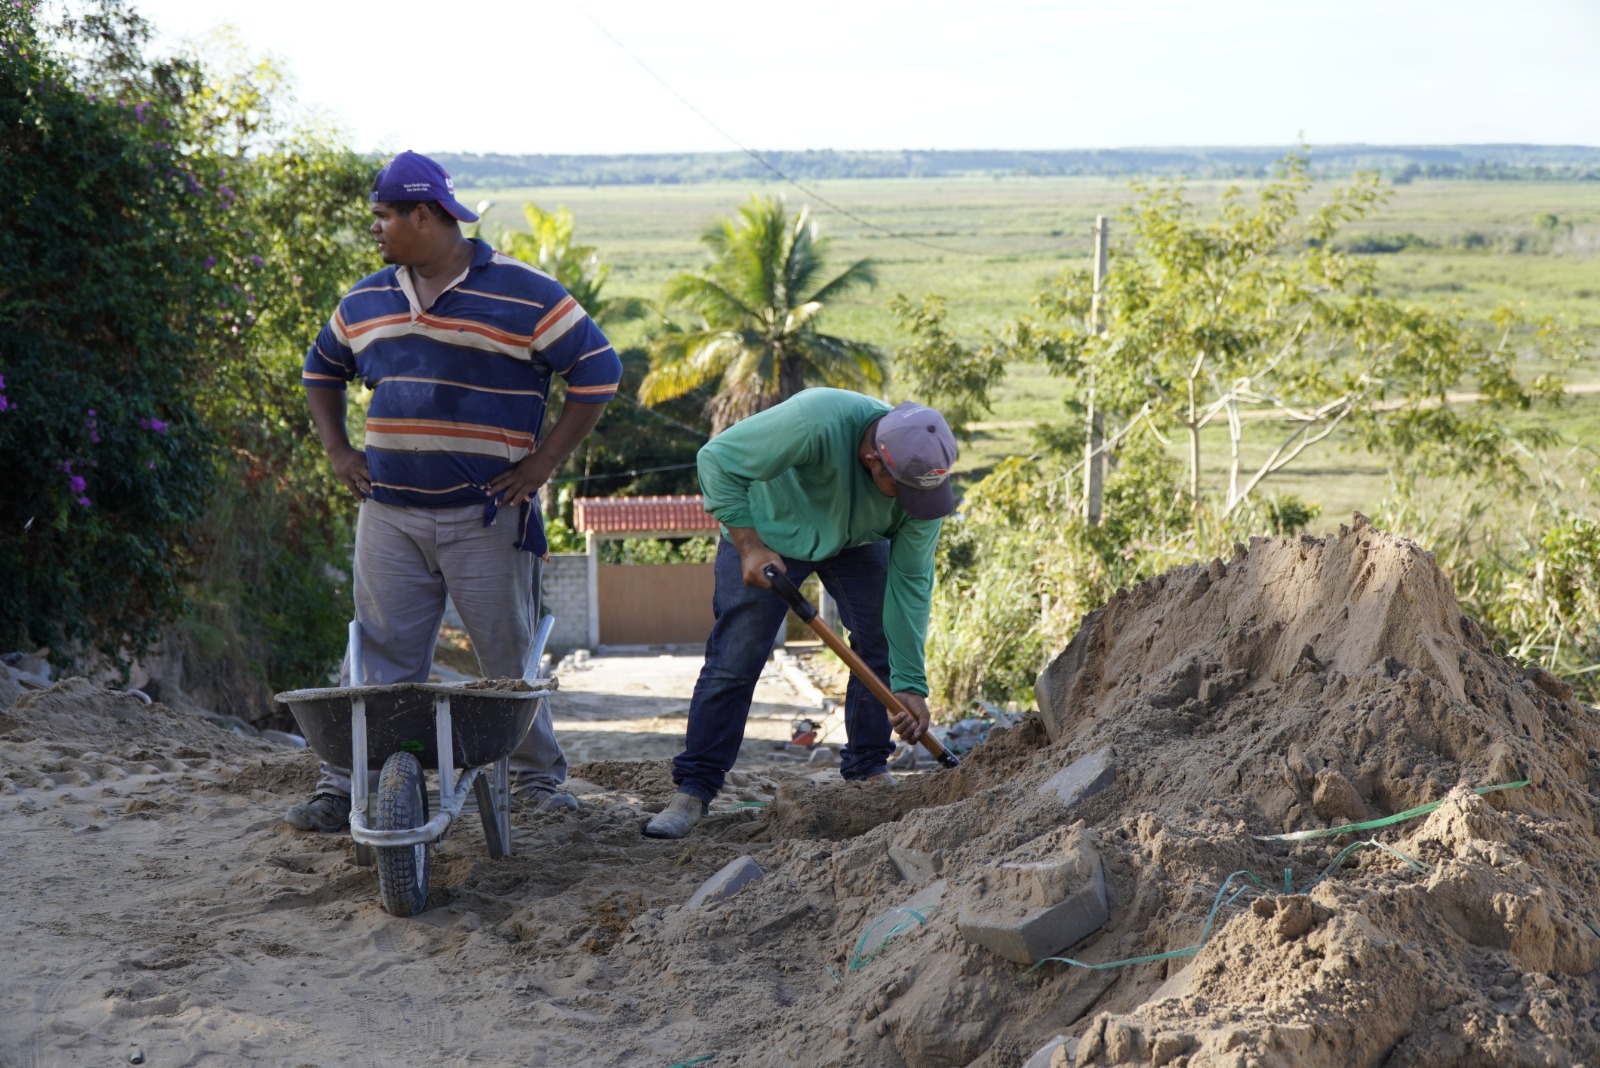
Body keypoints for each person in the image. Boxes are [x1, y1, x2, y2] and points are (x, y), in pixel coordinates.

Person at [287, 150, 622, 833]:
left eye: (384, 215)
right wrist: (338, 450)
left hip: (486, 514)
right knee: (379, 657)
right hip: (390, 515)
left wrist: (542, 465)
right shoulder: (367, 298)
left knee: (506, 661)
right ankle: (347, 784)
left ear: (424, 214)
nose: (376, 228)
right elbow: (320, 370)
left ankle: (535, 783)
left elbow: (598, 370)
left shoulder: (526, 292)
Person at [644, 388, 958, 839]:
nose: (911, 504)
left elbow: (910, 586)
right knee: (736, 659)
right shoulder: (815, 422)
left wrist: (910, 685)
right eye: (901, 492)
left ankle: (869, 773)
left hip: (857, 540)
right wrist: (750, 545)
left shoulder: (920, 486)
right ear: (873, 458)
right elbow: (716, 460)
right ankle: (694, 789)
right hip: (768, 530)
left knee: (880, 642)